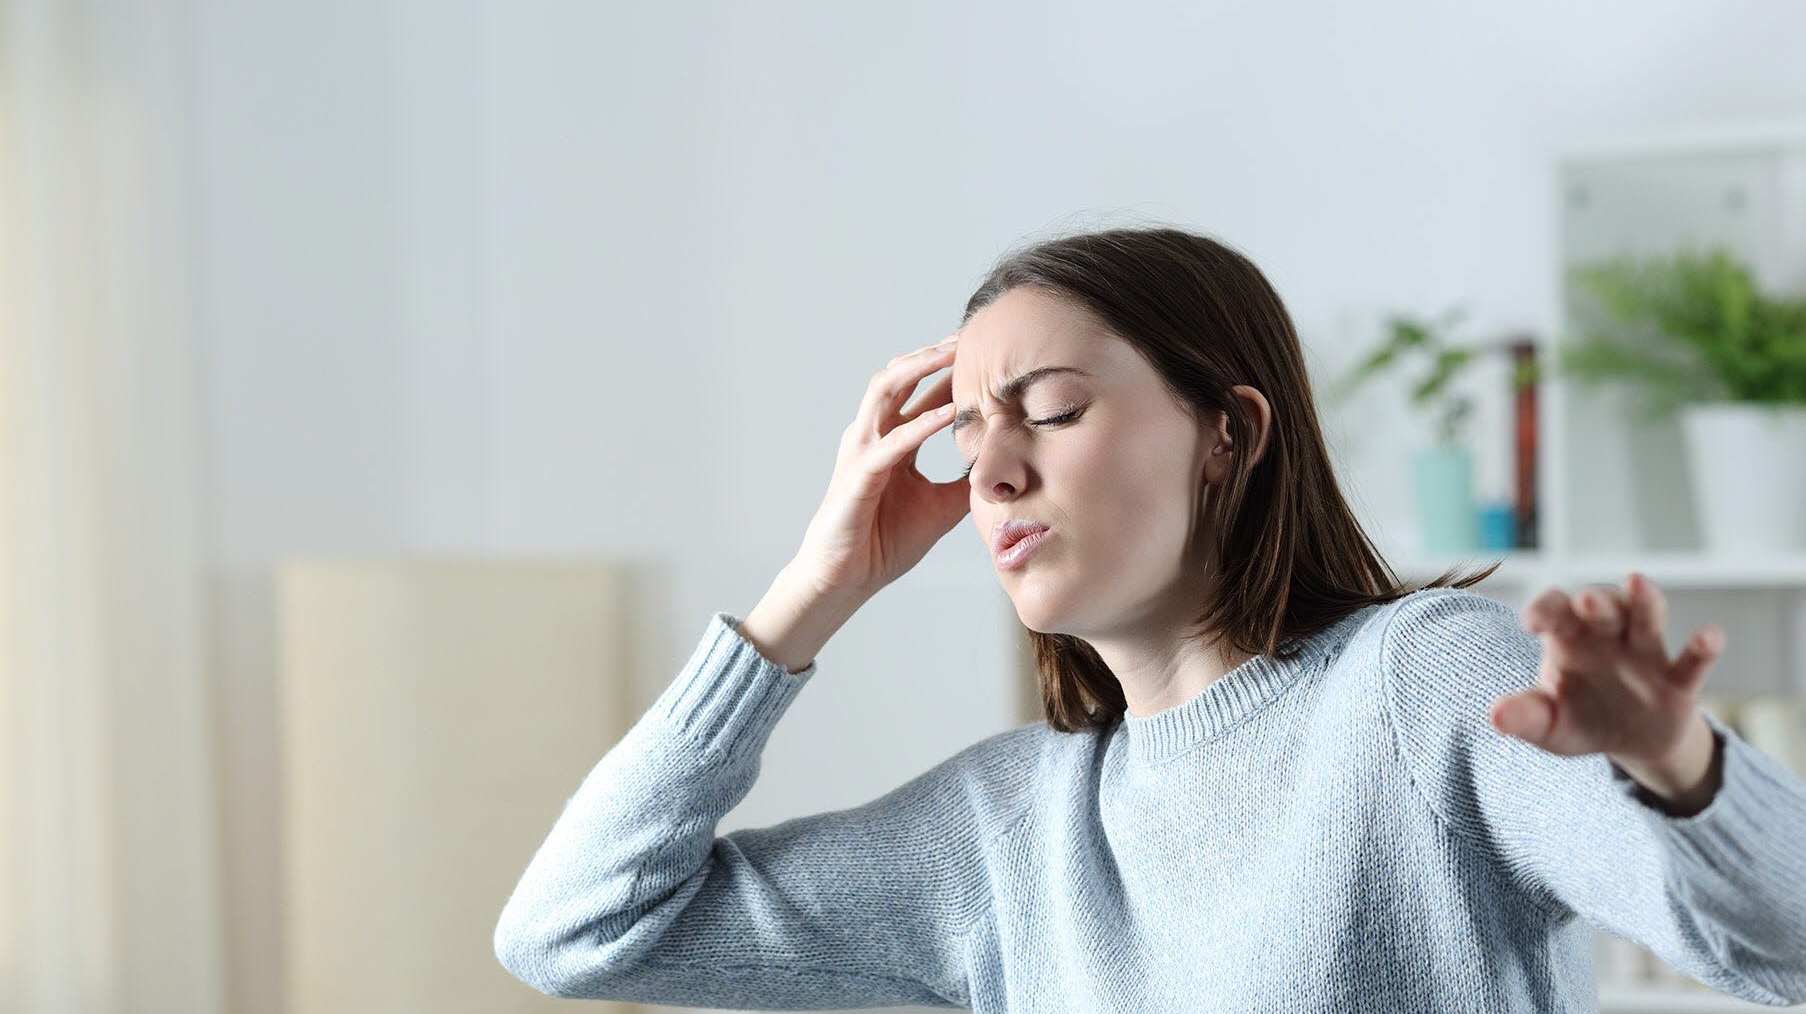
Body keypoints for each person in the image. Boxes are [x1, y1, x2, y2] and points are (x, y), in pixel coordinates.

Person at [492, 226, 1806, 1011]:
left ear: (1226, 431)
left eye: (1050, 409)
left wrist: (1677, 772)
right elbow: (578, 930)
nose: (993, 469)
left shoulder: (1421, 684)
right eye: (965, 435)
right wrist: (811, 587)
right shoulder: (1008, 825)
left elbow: (1783, 947)